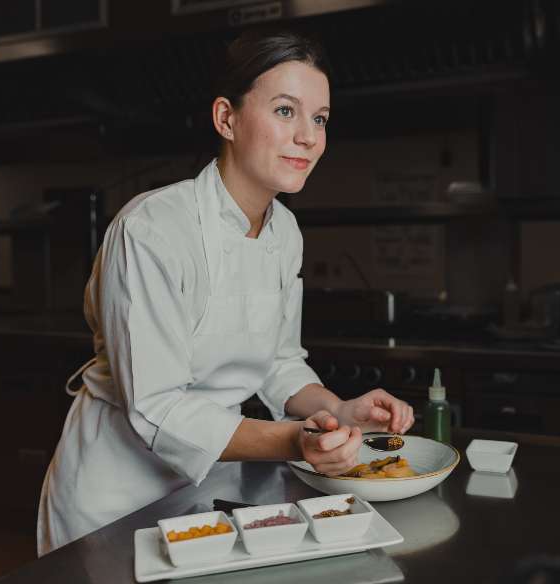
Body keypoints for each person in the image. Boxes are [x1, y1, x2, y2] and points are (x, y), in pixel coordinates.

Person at [36, 30, 415, 555]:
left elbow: (280, 361)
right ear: (226, 119)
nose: (309, 135)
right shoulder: (152, 228)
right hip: (114, 499)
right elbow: (157, 406)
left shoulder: (285, 232)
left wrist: (337, 412)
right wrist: (295, 440)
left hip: (209, 488)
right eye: (286, 111)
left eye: (320, 118)